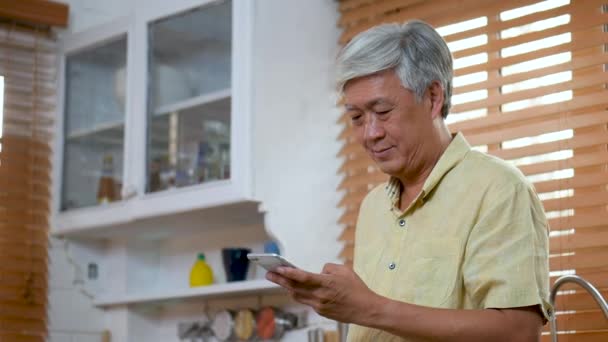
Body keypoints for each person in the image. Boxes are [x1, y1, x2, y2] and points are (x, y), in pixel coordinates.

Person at [266, 20, 551, 341]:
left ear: (432, 97)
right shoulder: (372, 206)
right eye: (357, 118)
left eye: (383, 111)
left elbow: (519, 332)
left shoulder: (499, 189)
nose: (370, 134)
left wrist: (367, 308)